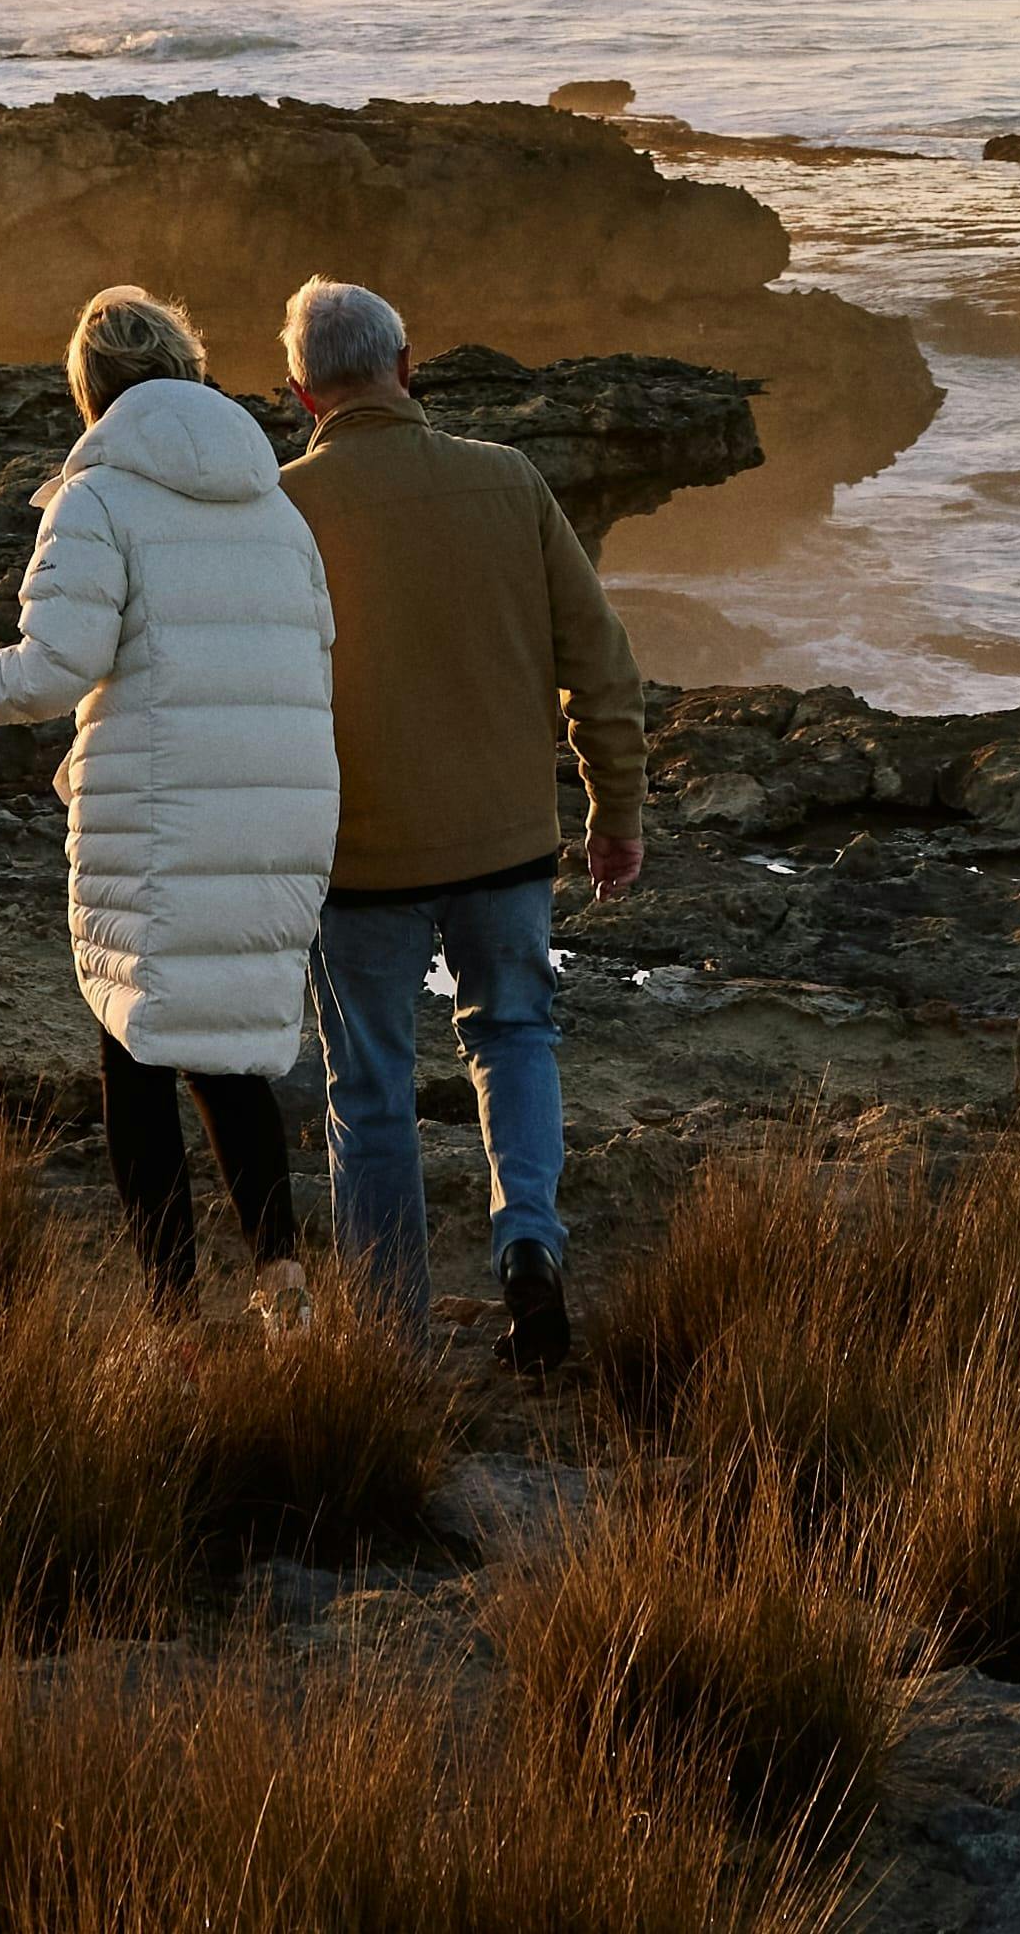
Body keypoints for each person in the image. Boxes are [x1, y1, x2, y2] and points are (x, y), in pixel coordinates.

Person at [0, 282, 340, 1298]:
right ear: (187, 370)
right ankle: (283, 1288)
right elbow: (317, 656)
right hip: (281, 809)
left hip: (159, 815)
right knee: (226, 1050)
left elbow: (53, 669)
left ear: (90, 391)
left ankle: (171, 1318)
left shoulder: (95, 500)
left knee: (134, 1052)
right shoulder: (275, 506)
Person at [268, 271, 649, 1371]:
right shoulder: (508, 480)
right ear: (406, 365)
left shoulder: (280, 509)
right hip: (506, 842)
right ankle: (527, 1241)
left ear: (300, 393)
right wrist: (614, 811)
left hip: (355, 854)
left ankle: (390, 1339)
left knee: (369, 1088)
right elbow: (602, 664)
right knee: (514, 1034)